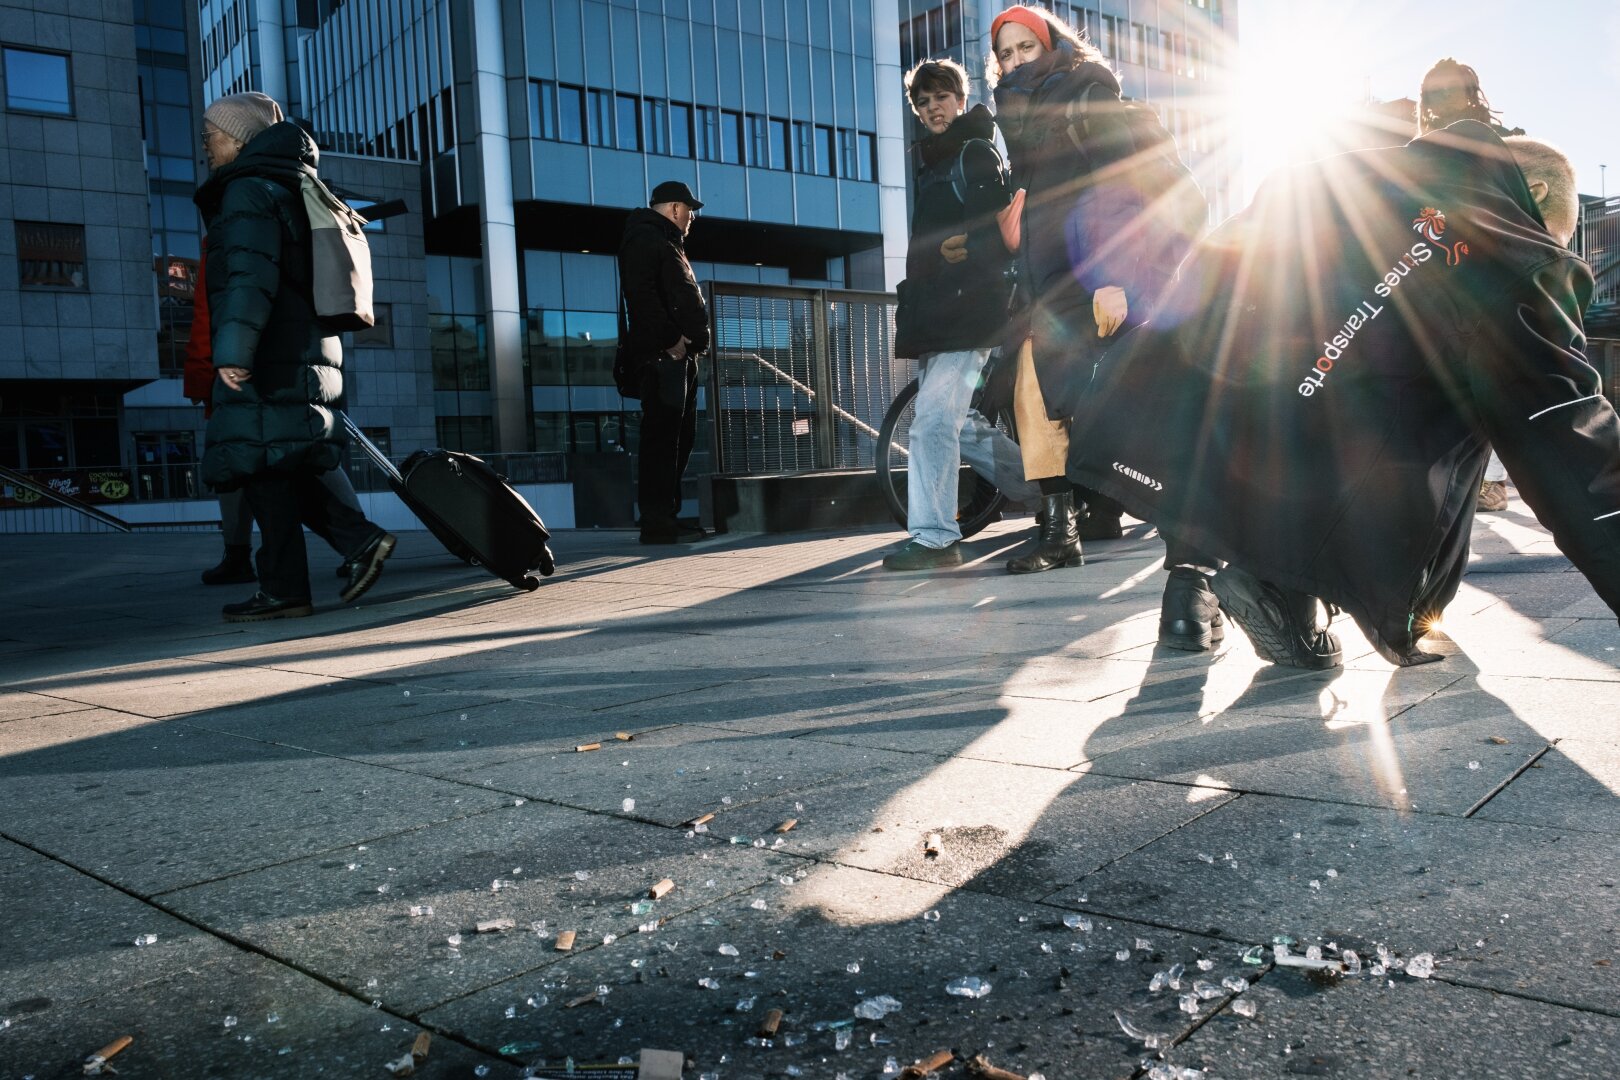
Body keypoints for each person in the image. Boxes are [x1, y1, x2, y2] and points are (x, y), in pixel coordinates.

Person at [1065, 122, 1619, 668]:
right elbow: (1561, 425)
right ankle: (1403, 604)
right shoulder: (1511, 248)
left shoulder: (1348, 173)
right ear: (1538, 193)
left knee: (1349, 383)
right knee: (1484, 396)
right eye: (1554, 233)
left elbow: (1217, 266)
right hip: (1335, 449)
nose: (1546, 244)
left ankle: (1261, 581)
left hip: (1207, 414)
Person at [195, 91, 395, 622]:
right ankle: (321, 565)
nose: (207, 146)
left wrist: (233, 352)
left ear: (238, 138)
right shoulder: (291, 184)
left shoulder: (246, 191)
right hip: (300, 347)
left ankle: (309, 573)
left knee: (259, 465)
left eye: (211, 135)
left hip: (268, 353)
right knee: (275, 466)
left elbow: (248, 277)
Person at [987, 5, 1165, 574]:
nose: (1015, 61)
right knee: (1036, 397)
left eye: (1025, 49)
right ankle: (1064, 530)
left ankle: (1181, 524)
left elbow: (1126, 188)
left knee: (1112, 401)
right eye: (1005, 54)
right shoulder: (1019, 119)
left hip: (1096, 276)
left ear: (1050, 46)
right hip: (1046, 282)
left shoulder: (1087, 94)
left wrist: (1120, 280)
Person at [883, 57, 1036, 571]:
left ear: (960, 97)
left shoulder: (973, 151)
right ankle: (1050, 495)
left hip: (970, 312)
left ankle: (934, 539)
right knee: (961, 424)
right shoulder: (934, 160)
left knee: (931, 423)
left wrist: (963, 247)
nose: (931, 109)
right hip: (941, 313)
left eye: (940, 98)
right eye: (922, 103)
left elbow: (1006, 225)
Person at [186, 250, 372, 586]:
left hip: (256, 364)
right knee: (295, 460)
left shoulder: (239, 216)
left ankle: (352, 544)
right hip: (303, 354)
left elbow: (229, 302)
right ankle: (355, 541)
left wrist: (214, 366)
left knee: (253, 464)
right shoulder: (292, 216)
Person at [1416, 58, 1523, 515]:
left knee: (1493, 381)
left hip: (1489, 279)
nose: (1436, 102)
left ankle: (1490, 482)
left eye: (1444, 91)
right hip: (1446, 280)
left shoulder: (1499, 145)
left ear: (1468, 93)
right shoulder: (1420, 148)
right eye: (1430, 94)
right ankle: (1468, 480)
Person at [618, 181, 711, 545]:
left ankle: (666, 517)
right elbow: (640, 296)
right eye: (690, 210)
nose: (692, 218)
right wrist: (672, 340)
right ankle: (657, 523)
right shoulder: (645, 238)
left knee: (678, 438)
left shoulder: (664, 240)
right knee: (662, 439)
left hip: (676, 358)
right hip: (662, 358)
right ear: (675, 208)